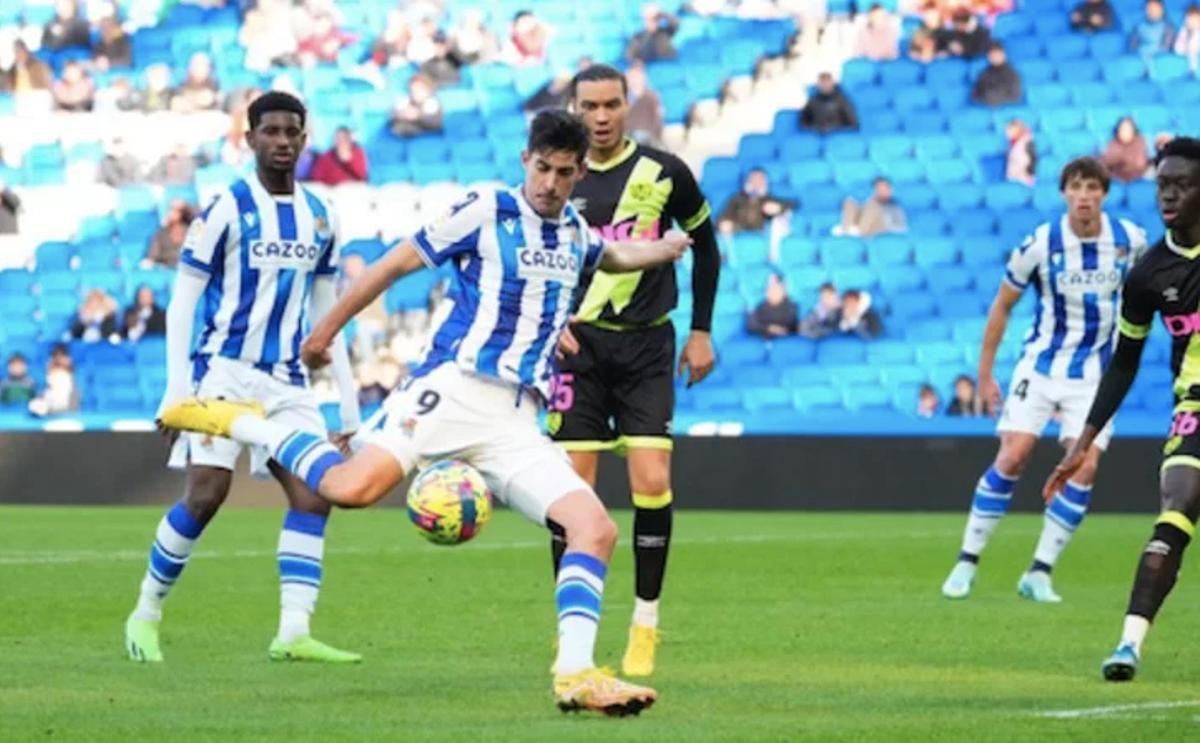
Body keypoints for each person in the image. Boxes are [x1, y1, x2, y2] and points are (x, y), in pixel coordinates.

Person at [157, 108, 688, 715]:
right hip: (452, 390)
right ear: (525, 160)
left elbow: (609, 259)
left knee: (595, 529)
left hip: (517, 420)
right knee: (350, 489)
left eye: (564, 173)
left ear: (578, 173)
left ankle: (575, 674)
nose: (550, 183)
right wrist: (326, 329)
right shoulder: (485, 209)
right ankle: (237, 419)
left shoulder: (573, 234)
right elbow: (394, 264)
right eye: (542, 168)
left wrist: (663, 249)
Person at [123, 92, 362, 666]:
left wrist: (348, 408)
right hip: (223, 376)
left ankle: (293, 632)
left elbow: (328, 317)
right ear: (249, 138)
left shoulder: (321, 216)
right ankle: (146, 611)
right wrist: (176, 389)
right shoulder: (226, 207)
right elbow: (183, 301)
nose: (282, 141)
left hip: (286, 382)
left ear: (305, 140)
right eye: (271, 131)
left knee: (314, 494)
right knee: (206, 495)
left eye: (292, 132)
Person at [550, 64, 720, 679]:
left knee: (651, 478)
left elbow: (708, 244)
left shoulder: (664, 172)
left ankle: (645, 622)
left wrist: (701, 329)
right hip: (579, 349)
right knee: (572, 491)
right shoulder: (557, 177)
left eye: (611, 105)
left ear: (628, 106)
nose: (600, 117)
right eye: (590, 105)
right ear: (573, 107)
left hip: (648, 346)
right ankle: (574, 633)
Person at [941, 157, 1149, 604]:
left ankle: (1039, 572)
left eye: (1093, 187)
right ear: (1064, 194)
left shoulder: (1130, 240)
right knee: (1013, 455)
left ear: (1104, 194)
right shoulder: (1040, 243)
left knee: (1085, 463)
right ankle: (967, 560)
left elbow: (1157, 284)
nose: (1085, 195)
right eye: (1076, 187)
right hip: (1040, 366)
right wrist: (984, 373)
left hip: (1095, 373)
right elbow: (1002, 305)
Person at [1045, 137, 1200, 682]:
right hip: (1195, 406)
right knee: (1175, 510)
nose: (1169, 194)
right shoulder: (1148, 276)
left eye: (1182, 184)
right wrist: (1083, 441)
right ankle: (1128, 644)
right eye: (1163, 184)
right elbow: (1123, 365)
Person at [717, 168, 796, 235]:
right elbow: (723, 215)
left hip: (763, 233)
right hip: (738, 231)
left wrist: (778, 208)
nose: (757, 183)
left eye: (760, 179)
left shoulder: (769, 199)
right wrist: (725, 223)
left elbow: (792, 204)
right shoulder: (737, 198)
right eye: (754, 179)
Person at [840, 177, 906, 237]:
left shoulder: (895, 206)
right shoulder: (870, 202)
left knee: (874, 207)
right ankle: (847, 231)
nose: (882, 191)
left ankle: (856, 233)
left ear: (890, 190)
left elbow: (900, 227)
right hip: (864, 224)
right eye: (879, 189)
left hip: (879, 230)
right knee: (849, 202)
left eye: (885, 188)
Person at [28, 343, 77, 416]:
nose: (58, 358)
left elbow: (73, 404)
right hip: (50, 398)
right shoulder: (50, 365)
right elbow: (47, 387)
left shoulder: (69, 368)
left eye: (62, 355)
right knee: (35, 404)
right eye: (55, 355)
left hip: (65, 401)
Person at [143, 201, 195, 269]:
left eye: (175, 210)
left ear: (183, 213)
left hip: (185, 270)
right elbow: (153, 256)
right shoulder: (161, 232)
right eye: (170, 209)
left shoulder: (191, 233)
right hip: (165, 270)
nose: (170, 212)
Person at [625, 62, 664, 147]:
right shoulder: (622, 97)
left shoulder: (652, 96)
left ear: (644, 79)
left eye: (636, 77)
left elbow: (658, 118)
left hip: (647, 135)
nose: (633, 80)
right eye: (630, 77)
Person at [747, 273, 798, 338]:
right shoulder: (759, 306)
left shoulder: (792, 307)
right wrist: (768, 328)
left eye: (776, 288)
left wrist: (780, 330)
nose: (772, 291)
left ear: (784, 290)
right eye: (770, 288)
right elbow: (752, 325)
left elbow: (793, 327)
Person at [971, 42, 1021, 107]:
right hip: (985, 107)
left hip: (1005, 108)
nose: (994, 57)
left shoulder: (1012, 74)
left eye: (996, 54)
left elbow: (1015, 96)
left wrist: (995, 98)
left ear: (1003, 55)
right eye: (991, 55)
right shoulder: (984, 73)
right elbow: (975, 95)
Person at [1102, 116, 1150, 183]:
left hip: (1138, 178)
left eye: (1128, 129)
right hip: (1116, 178)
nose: (1125, 132)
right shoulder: (1113, 143)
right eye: (1122, 129)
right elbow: (1108, 161)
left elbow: (1139, 164)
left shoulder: (1140, 142)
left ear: (1133, 131)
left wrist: (1121, 160)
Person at [1006, 118, 1036, 187]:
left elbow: (1026, 162)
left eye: (1010, 130)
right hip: (1015, 179)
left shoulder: (1026, 143)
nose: (1007, 133)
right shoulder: (1014, 144)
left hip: (1023, 180)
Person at [1174, 4, 1200, 72]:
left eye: (1196, 19)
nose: (1193, 22)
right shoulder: (1183, 32)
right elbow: (1177, 50)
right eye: (1190, 18)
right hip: (1185, 66)